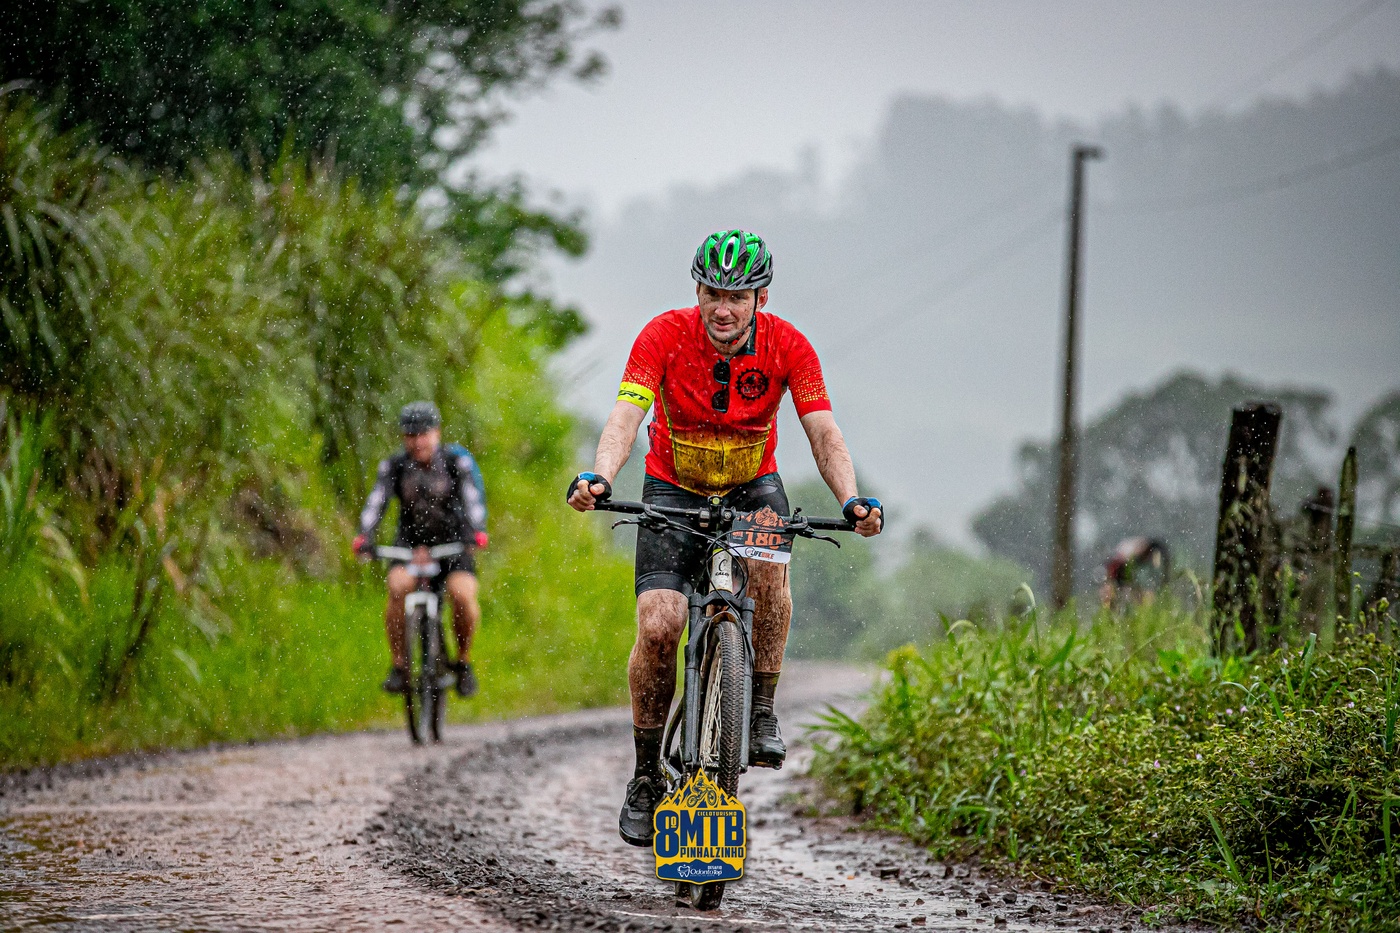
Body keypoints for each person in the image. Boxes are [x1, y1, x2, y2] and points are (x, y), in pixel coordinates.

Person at [566, 230, 883, 847]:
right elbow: (626, 417)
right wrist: (600, 476)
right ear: (697, 291)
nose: (723, 308)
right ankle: (645, 775)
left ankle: (760, 708)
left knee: (770, 575)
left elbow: (823, 433)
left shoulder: (790, 346)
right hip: (671, 487)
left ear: (760, 297)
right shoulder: (662, 335)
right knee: (660, 625)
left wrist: (851, 500)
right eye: (713, 293)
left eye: (737, 296)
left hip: (751, 488)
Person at [354, 402, 489, 698]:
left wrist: (476, 531)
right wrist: (365, 536)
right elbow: (376, 502)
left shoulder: (456, 462)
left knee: (462, 595)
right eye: (410, 435)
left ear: (437, 432)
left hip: (454, 544)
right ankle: (399, 666)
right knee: (397, 587)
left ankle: (463, 662)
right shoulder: (395, 466)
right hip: (410, 545)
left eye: (423, 434)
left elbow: (473, 500)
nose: (417, 442)